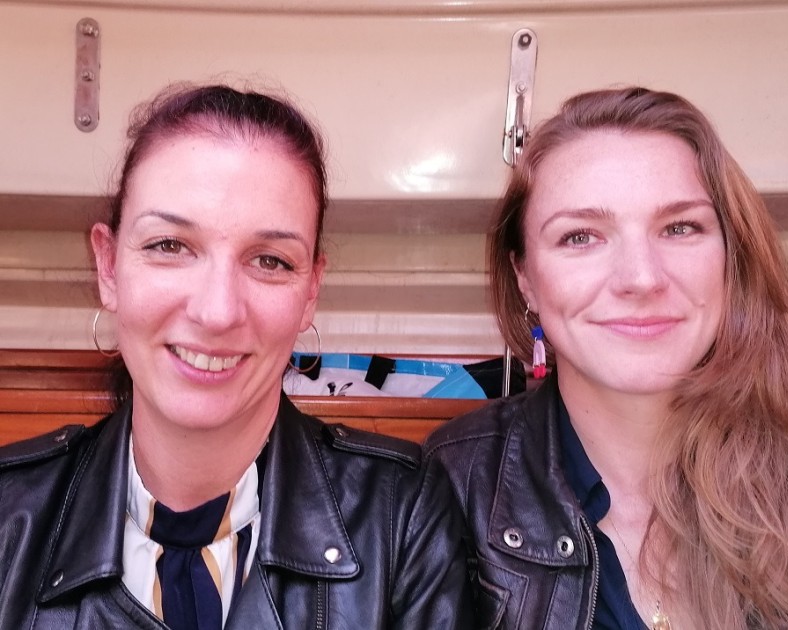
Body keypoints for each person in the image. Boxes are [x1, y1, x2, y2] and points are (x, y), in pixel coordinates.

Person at [0, 84, 472, 629]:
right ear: (108, 267)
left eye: (270, 260)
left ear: (311, 291)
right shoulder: (10, 514)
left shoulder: (401, 516)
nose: (217, 311)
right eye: (169, 246)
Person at [424, 87, 788, 629]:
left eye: (680, 228)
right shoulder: (450, 486)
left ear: (731, 257)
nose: (641, 278)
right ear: (525, 278)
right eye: (581, 237)